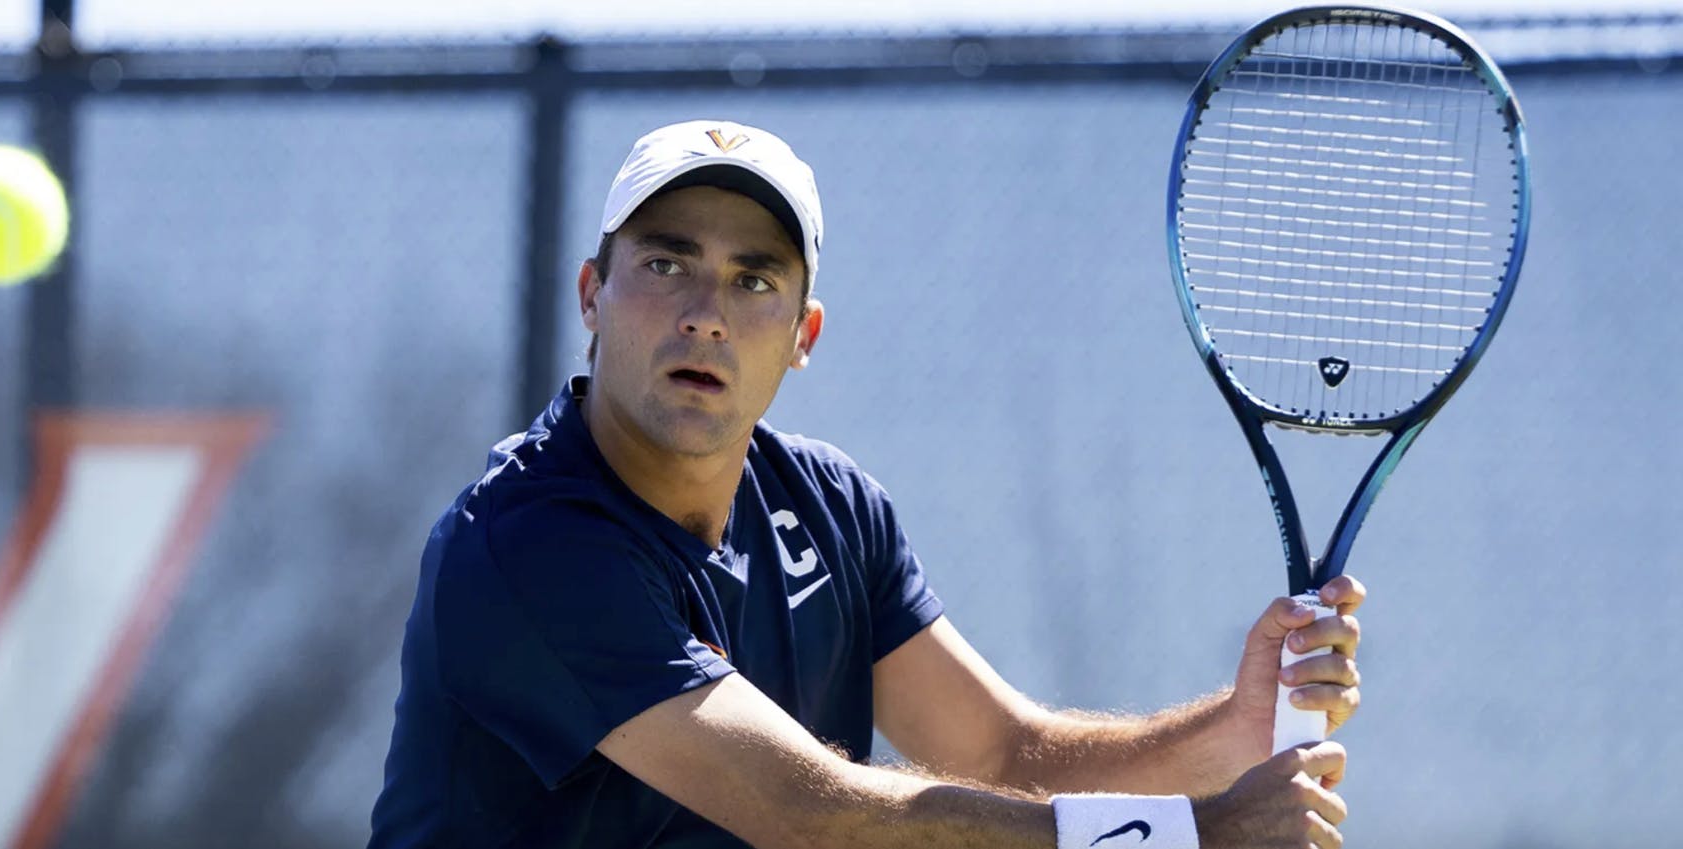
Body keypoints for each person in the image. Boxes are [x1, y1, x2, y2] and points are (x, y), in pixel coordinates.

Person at [369, 119, 1366, 849]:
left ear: (802, 336)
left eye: (754, 279)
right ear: (593, 294)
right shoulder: (525, 542)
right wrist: (1194, 833)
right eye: (667, 264)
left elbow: (1001, 755)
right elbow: (808, 814)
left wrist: (1231, 728)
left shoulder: (831, 510)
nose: (706, 313)